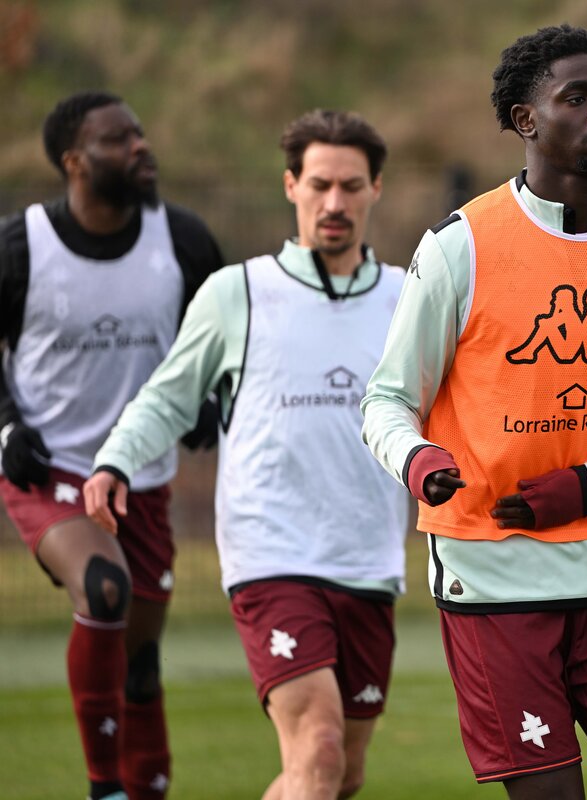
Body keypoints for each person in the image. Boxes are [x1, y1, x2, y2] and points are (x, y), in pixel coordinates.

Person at [361, 24, 587, 800]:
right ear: (527, 120)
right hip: (493, 571)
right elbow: (388, 400)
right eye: (576, 97)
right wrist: (419, 461)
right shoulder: (460, 245)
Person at [83, 110, 407, 800]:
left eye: (351, 186)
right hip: (270, 555)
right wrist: (115, 461)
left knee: (339, 774)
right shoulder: (239, 293)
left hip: (369, 559)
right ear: (291, 186)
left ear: (376, 189)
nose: (335, 202)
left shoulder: (407, 299)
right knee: (319, 749)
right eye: (319, 184)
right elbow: (168, 397)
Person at [0, 91, 224, 800]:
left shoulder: (183, 241)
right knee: (105, 588)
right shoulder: (20, 248)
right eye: (117, 139)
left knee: (141, 662)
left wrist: (208, 399)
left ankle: (144, 787)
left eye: (140, 134)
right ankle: (105, 789)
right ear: (74, 161)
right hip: (51, 471)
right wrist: (7, 426)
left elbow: (220, 344)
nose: (139, 146)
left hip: (142, 477)